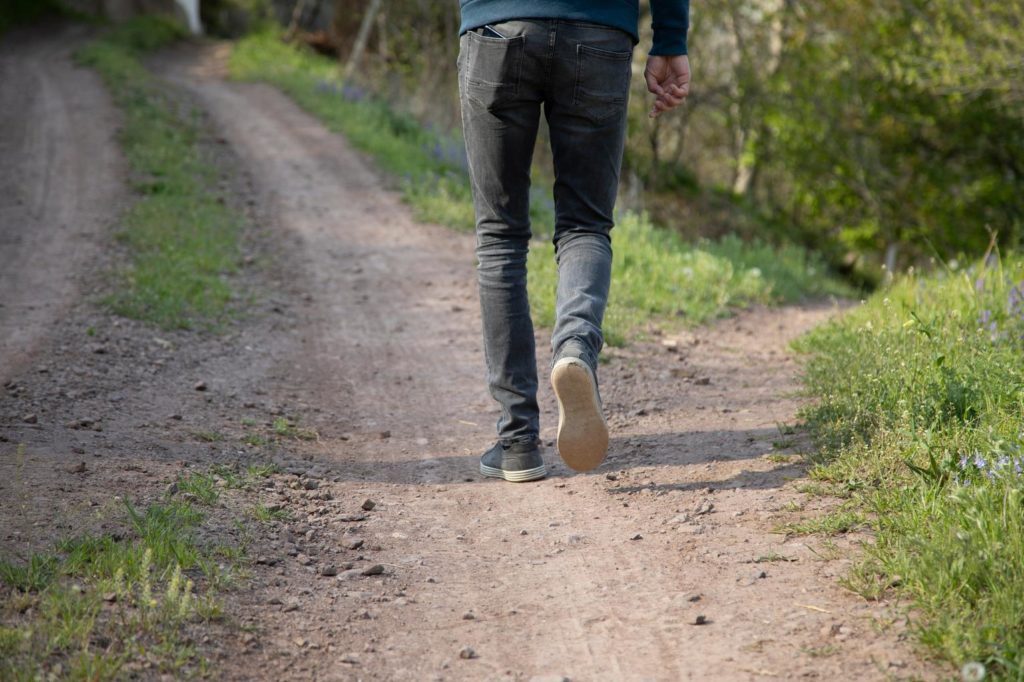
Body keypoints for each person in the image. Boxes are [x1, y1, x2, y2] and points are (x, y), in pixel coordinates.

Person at [458, 1, 691, 482]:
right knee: (584, 224)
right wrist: (669, 40)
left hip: (496, 28)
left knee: (501, 235)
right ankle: (574, 350)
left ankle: (518, 440)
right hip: (599, 31)